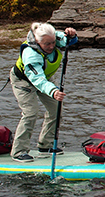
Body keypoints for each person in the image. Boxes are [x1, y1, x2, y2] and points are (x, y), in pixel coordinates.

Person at [11, 21, 78, 161]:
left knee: (56, 109)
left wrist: (71, 34)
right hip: (25, 82)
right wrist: (53, 91)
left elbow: (68, 40)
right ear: (37, 41)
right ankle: (19, 151)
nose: (52, 46)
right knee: (30, 113)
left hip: (45, 80)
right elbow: (38, 80)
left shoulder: (52, 38)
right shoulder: (30, 54)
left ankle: (45, 145)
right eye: (47, 44)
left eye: (53, 42)